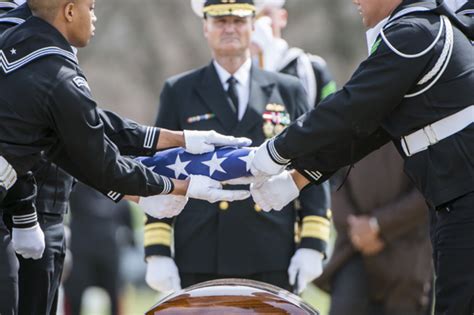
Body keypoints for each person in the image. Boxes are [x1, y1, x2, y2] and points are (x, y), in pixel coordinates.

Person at [0, 1, 251, 314]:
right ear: (68, 11)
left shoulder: (15, 42)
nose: (94, 17)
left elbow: (55, 136)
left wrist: (180, 139)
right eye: (90, 7)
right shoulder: (56, 72)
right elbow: (101, 162)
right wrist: (180, 187)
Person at [246, 0, 474, 314]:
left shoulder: (412, 33)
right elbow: (369, 129)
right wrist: (298, 178)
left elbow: (349, 107)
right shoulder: (417, 30)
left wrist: (277, 150)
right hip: (455, 195)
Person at [143, 0, 331, 294]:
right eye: (220, 21)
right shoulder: (178, 91)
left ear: (253, 26)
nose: (229, 28)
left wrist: (312, 243)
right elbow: (160, 170)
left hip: (271, 249)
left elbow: (312, 163)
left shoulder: (288, 89)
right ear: (205, 27)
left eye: (238, 20)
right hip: (200, 250)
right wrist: (157, 250)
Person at [314, 143, 433, 315]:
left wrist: (378, 224)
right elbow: (331, 179)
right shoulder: (345, 119)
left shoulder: (423, 119)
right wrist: (356, 227)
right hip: (353, 248)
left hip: (408, 251)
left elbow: (433, 187)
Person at [64, 182, 135, 315]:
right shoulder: (76, 184)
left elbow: (127, 218)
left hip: (110, 249)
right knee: (74, 294)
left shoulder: (117, 183)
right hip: (80, 249)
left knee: (116, 292)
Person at [251, 0, 337, 109]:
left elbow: (331, 115)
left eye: (267, 14)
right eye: (254, 17)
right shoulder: (236, 71)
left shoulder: (311, 68)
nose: (260, 24)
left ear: (282, 17)